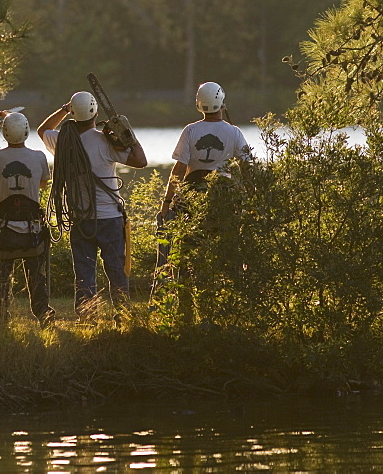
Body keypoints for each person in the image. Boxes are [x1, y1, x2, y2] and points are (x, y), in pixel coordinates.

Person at [38, 91, 147, 319]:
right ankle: (123, 314)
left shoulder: (63, 141)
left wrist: (64, 109)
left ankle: (88, 317)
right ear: (95, 112)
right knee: (116, 270)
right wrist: (128, 135)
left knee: (84, 271)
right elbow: (140, 160)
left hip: (81, 218)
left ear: (74, 114)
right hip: (109, 218)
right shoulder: (105, 141)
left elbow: (42, 130)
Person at [155, 81, 249, 290]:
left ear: (199, 104)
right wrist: (253, 200)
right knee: (229, 249)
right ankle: (233, 300)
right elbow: (247, 169)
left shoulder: (190, 131)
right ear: (222, 103)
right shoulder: (234, 133)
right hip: (224, 199)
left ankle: (186, 307)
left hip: (191, 199)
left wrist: (167, 202)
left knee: (188, 252)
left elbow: (178, 170)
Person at [0, 111, 55, 328]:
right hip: (32, 229)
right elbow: (43, 184)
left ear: (4, 133)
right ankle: (43, 312)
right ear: (26, 131)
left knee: (2, 276)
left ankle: (0, 315)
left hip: (4, 229)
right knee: (37, 274)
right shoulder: (39, 157)